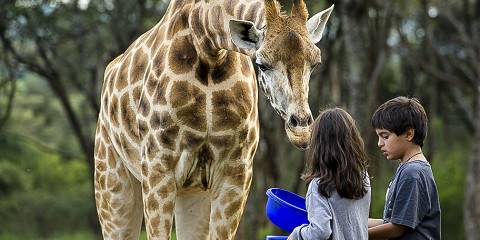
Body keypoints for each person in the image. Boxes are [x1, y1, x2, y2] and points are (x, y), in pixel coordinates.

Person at [288, 107, 371, 240]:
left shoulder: (319, 186)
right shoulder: (363, 177)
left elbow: (320, 232)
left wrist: (296, 234)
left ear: (317, 145)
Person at [368, 96, 441, 239]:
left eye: (385, 136)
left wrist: (354, 235)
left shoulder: (413, 172)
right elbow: (392, 221)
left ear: (409, 134)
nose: (379, 143)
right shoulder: (408, 168)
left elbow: (396, 229)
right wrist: (351, 222)